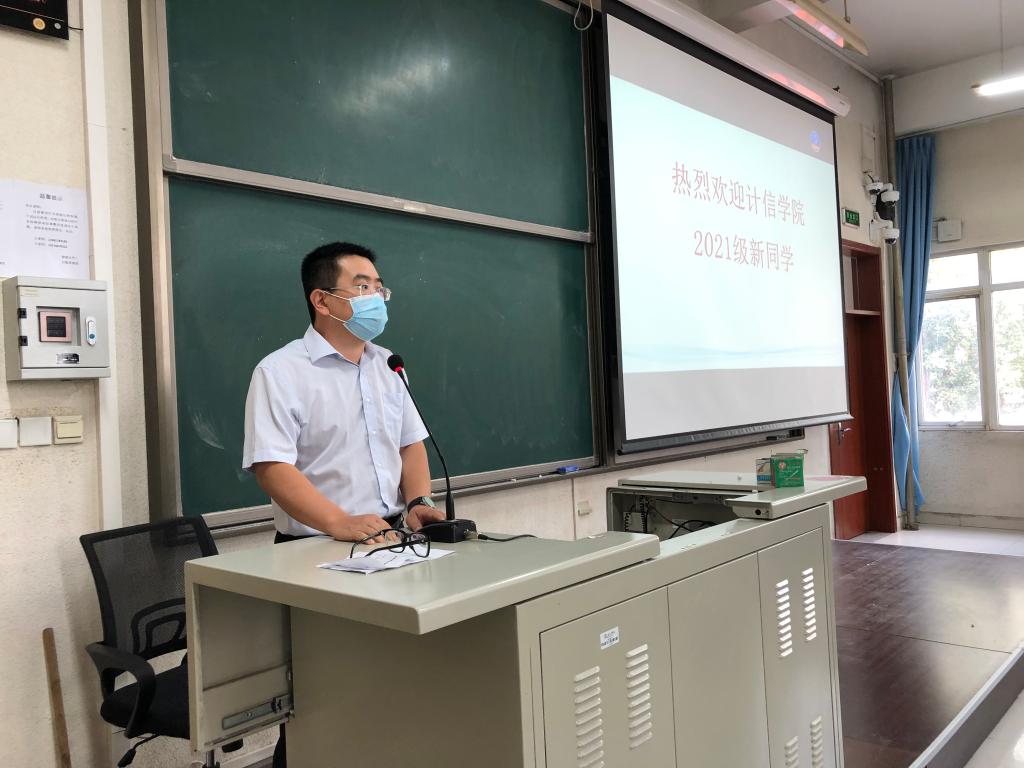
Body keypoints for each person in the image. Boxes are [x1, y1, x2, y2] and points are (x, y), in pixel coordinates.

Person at [242, 241, 446, 766]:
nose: (376, 296)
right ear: (322, 299)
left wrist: (418, 500)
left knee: (394, 679)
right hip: (315, 552)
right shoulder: (281, 371)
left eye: (379, 287)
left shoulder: (387, 365)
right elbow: (272, 466)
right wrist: (338, 522)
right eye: (362, 286)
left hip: (391, 539)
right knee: (321, 694)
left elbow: (410, 445)